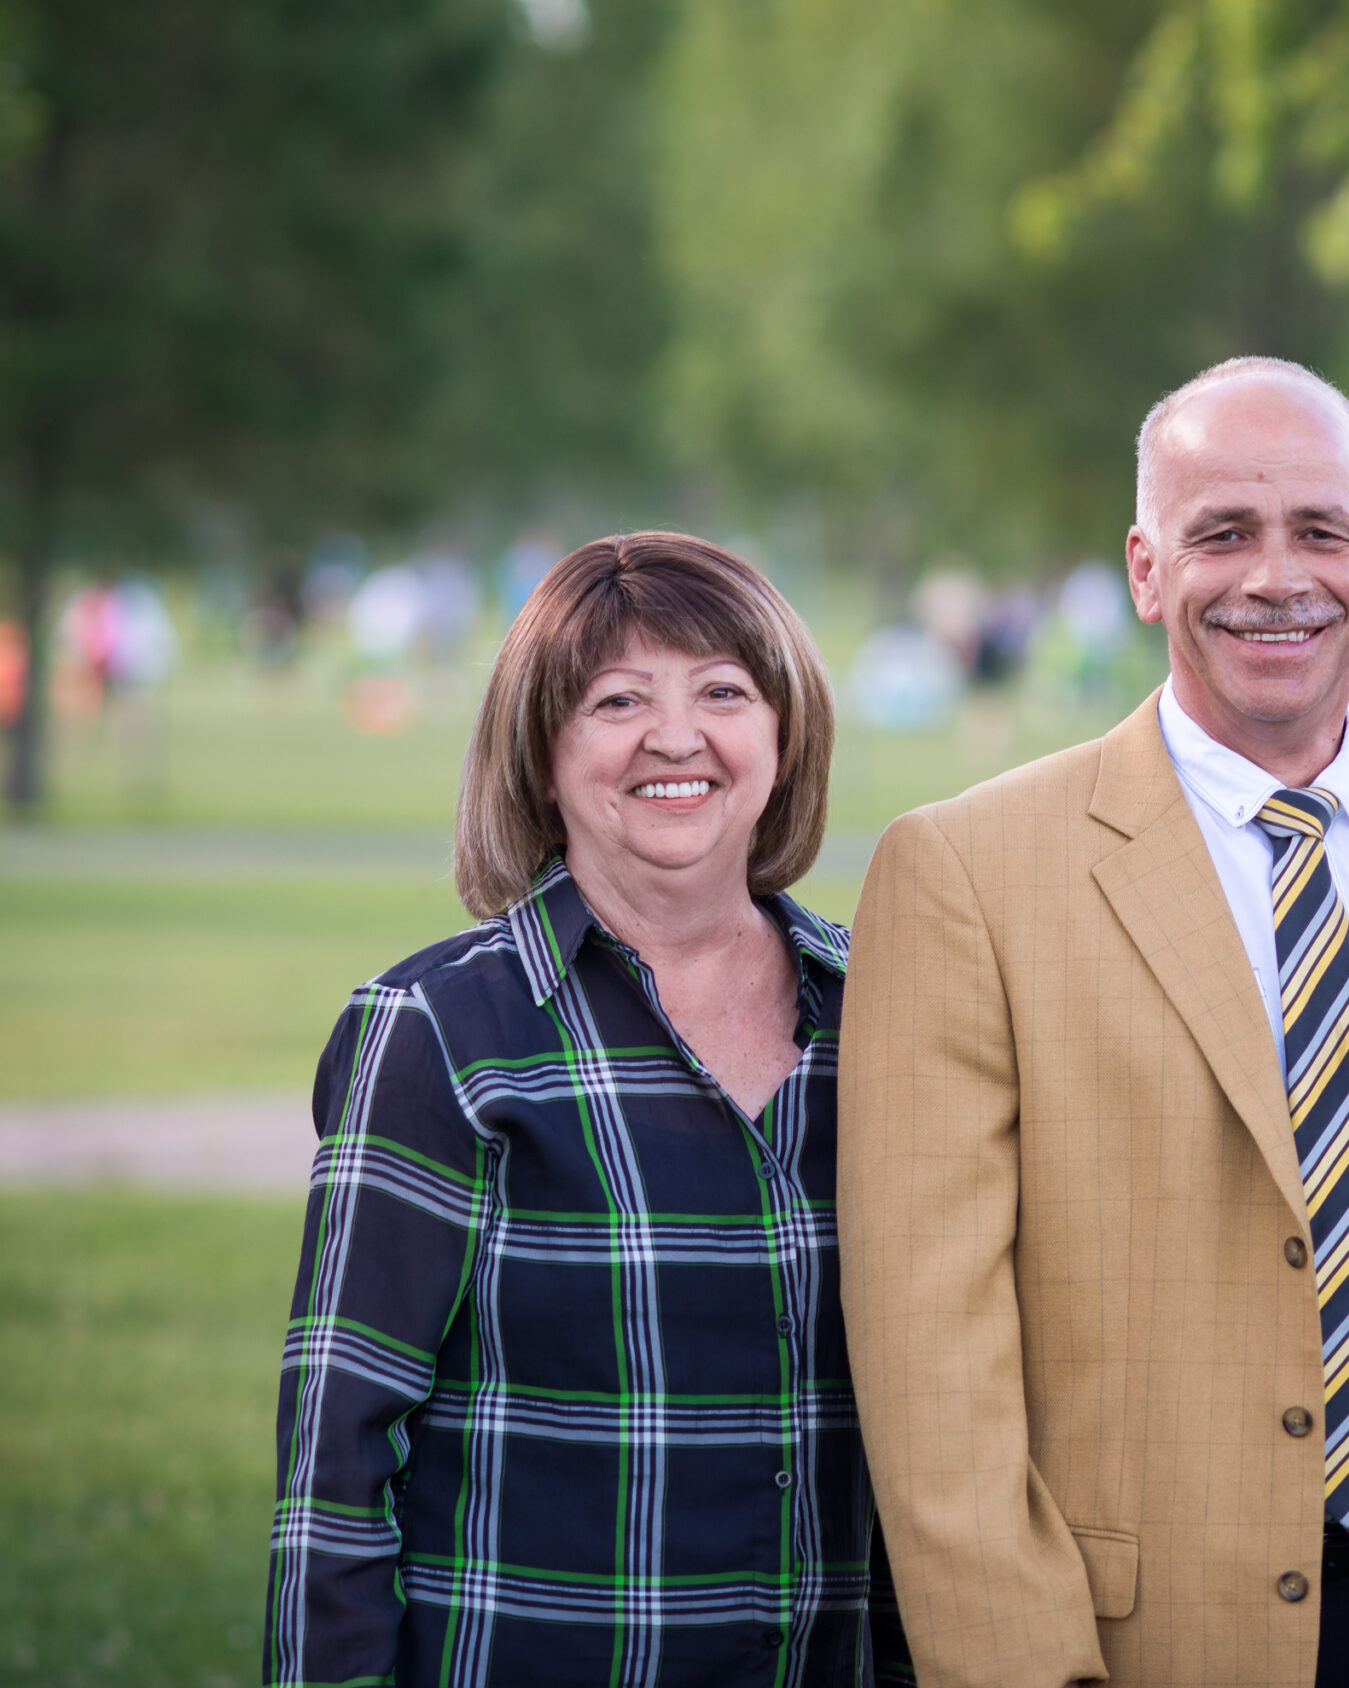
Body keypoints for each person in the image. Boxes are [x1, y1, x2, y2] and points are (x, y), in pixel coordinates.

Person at [840, 357, 1349, 1688]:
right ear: (1147, 570)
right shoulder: (967, 876)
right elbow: (936, 1378)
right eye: (1222, 533)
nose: (1278, 577)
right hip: (1140, 1643)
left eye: (1321, 532)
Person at [263, 533, 908, 1686]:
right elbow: (336, 1461)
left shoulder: (893, 1015)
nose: (677, 736)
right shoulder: (437, 1030)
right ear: (543, 751)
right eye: (618, 699)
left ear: (784, 733)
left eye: (724, 691)